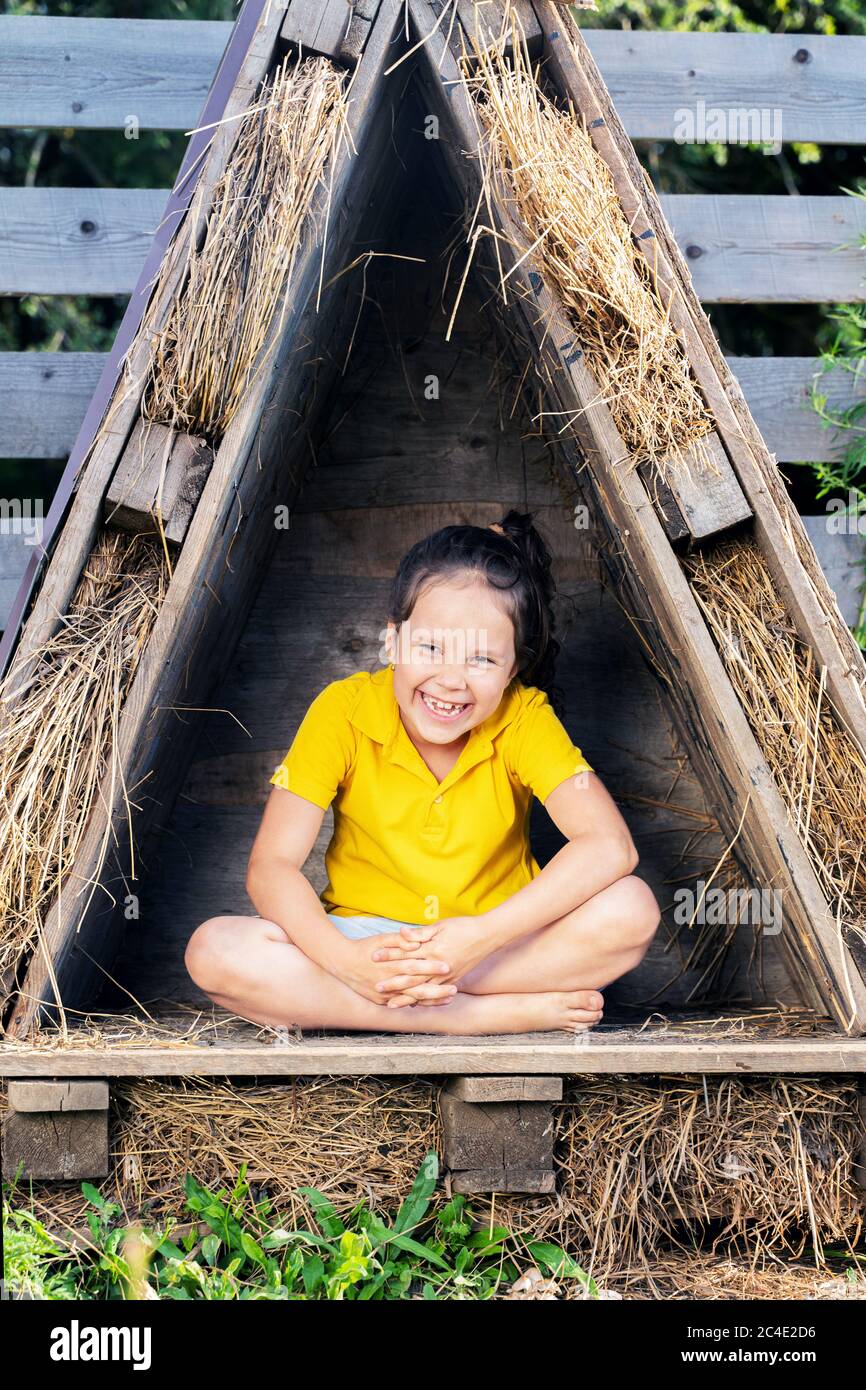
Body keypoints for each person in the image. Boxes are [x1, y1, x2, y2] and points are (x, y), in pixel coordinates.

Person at [185, 511, 660, 1034]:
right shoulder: (343, 709)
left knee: (632, 909)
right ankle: (471, 1017)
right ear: (392, 641)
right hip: (366, 942)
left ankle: (399, 1004)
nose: (451, 680)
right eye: (430, 648)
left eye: (481, 659)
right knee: (215, 950)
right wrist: (348, 963)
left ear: (513, 669)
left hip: (489, 948)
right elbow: (271, 867)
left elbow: (611, 847)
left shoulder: (524, 716)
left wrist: (476, 938)